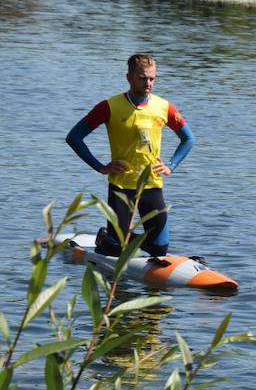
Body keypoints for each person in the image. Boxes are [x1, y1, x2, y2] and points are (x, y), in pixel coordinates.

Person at [66, 53, 195, 257]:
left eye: (152, 78)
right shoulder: (109, 106)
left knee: (159, 248)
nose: (148, 83)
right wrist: (100, 166)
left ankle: (114, 237)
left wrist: (171, 164)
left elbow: (189, 139)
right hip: (121, 187)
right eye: (143, 78)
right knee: (116, 250)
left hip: (151, 184)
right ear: (129, 78)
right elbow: (74, 137)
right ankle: (109, 241)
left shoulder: (164, 107)